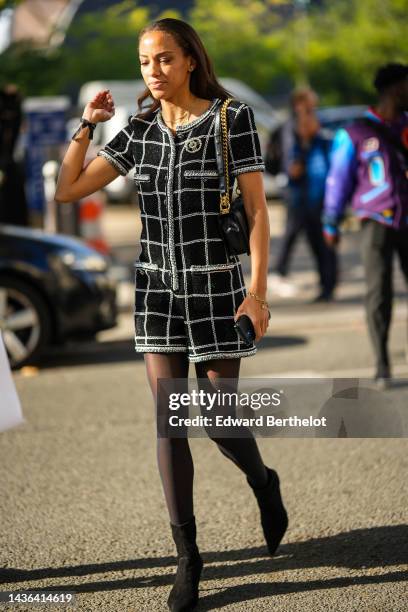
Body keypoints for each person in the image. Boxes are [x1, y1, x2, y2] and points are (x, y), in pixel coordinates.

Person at [55, 18, 288, 612]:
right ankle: (188, 559)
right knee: (169, 423)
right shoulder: (137, 131)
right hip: (156, 294)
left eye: (163, 60)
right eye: (144, 62)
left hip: (215, 291)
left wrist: (256, 293)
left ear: (189, 60)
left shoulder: (231, 119)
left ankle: (263, 481)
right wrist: (88, 123)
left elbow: (258, 211)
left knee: (220, 424)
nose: (153, 72)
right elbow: (68, 189)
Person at [323, 63, 408, 388]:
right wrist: (331, 222)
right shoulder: (354, 132)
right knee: (379, 293)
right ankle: (382, 364)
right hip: (376, 221)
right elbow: (338, 179)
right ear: (395, 89)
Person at [270, 87, 337, 302]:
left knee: (320, 241)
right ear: (298, 105)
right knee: (297, 235)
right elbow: (290, 164)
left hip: (319, 194)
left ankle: (327, 285)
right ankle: (281, 272)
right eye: (308, 106)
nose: (312, 110)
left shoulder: (321, 127)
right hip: (299, 194)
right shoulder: (290, 128)